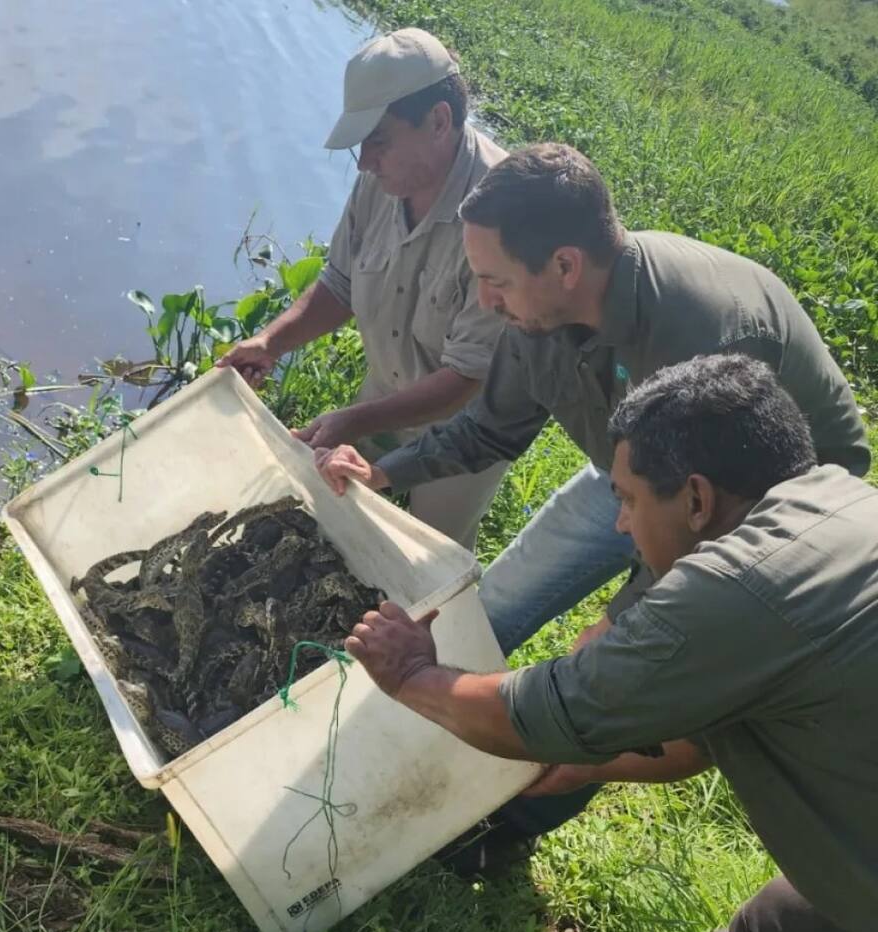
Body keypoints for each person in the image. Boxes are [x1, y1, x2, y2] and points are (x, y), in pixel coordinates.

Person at [314, 142, 870, 861]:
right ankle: (435, 761)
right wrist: (384, 472)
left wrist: (620, 626)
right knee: (490, 608)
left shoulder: (709, 337)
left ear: (565, 266)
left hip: (757, 514)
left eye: (495, 281)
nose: (484, 301)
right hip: (637, 474)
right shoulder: (535, 316)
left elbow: (706, 517)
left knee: (612, 683)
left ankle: (504, 830)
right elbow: (490, 427)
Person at [345, 354, 878, 932]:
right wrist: (589, 766)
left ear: (697, 500)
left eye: (627, 499)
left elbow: (545, 714)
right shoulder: (835, 499)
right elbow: (696, 743)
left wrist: (411, 674)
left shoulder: (736, 586)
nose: (621, 523)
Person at [217, 27, 510, 549]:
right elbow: (340, 284)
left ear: (438, 121)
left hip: (464, 429)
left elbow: (465, 377)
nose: (364, 162)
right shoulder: (381, 180)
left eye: (379, 141)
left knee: (427, 552)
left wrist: (353, 421)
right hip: (384, 389)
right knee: (324, 516)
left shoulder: (500, 214)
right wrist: (270, 341)